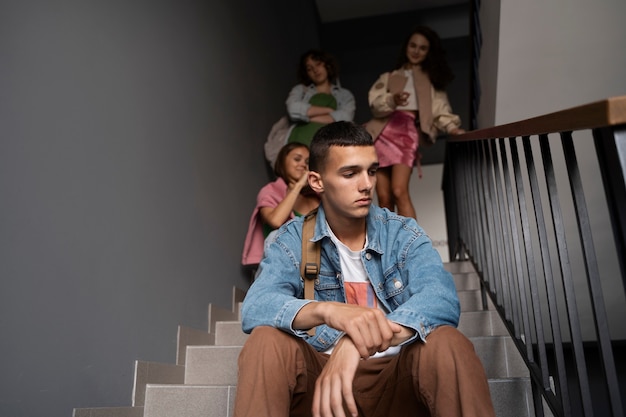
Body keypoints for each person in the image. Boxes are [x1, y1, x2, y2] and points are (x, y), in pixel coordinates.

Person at [234, 121, 495, 417]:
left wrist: (354, 343)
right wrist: (327, 311)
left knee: (448, 342)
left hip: (396, 378)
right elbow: (256, 306)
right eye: (350, 173)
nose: (367, 184)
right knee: (265, 342)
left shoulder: (402, 233)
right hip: (322, 383)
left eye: (371, 170)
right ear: (317, 182)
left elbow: (441, 299)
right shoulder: (290, 240)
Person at [365, 26, 465, 219]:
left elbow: (440, 108)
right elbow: (375, 104)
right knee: (384, 198)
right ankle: (388, 246)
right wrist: (393, 100)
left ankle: (413, 246)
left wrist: (452, 127)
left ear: (429, 52)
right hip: (381, 132)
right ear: (406, 47)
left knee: (399, 191)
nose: (416, 51)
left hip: (406, 133)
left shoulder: (431, 81)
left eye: (423, 48)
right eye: (413, 45)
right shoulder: (389, 77)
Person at [241, 142, 319, 269]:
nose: (303, 164)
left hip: (313, 263)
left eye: (307, 161)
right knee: (275, 235)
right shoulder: (270, 191)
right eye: (297, 159)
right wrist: (298, 185)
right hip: (278, 265)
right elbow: (276, 221)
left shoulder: (316, 196)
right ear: (283, 162)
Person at [285, 49, 355, 147]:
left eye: (318, 64)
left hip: (329, 144)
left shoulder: (344, 94)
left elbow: (345, 118)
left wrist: (307, 117)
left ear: (327, 65)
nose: (315, 70)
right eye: (309, 68)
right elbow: (292, 109)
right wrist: (328, 110)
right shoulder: (301, 90)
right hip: (299, 140)